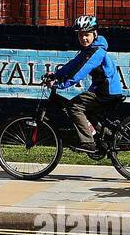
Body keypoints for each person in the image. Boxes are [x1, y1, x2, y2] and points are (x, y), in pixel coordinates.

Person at [44, 15, 122, 154]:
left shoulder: (97, 51)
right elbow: (72, 64)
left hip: (105, 91)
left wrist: (61, 84)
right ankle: (110, 134)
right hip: (103, 90)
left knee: (74, 107)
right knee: (85, 110)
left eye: (87, 35)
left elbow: (81, 71)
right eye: (80, 35)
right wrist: (56, 75)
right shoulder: (89, 49)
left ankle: (88, 143)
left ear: (95, 34)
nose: (83, 38)